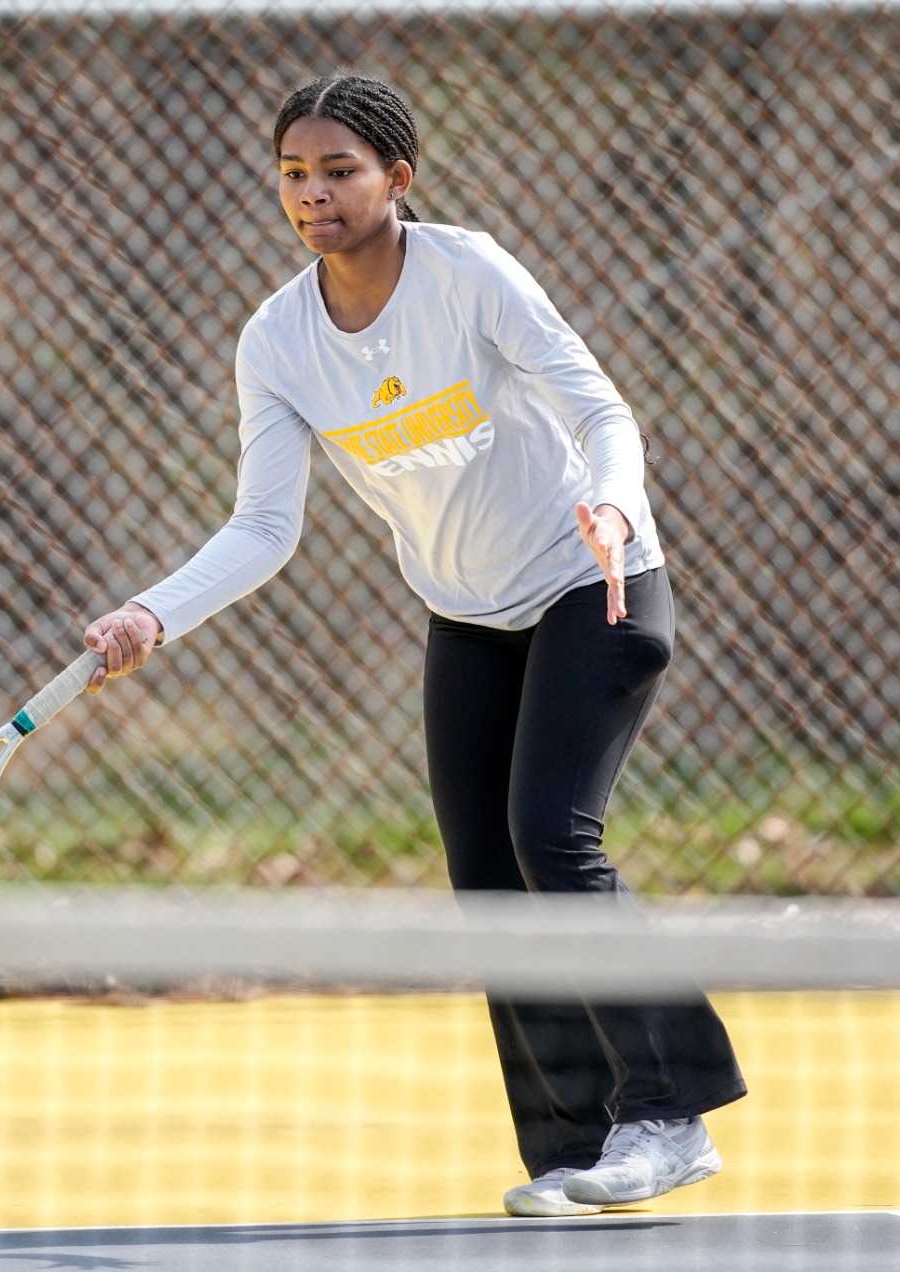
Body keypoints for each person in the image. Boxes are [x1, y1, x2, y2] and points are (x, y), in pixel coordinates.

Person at [77, 72, 745, 1217]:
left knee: (550, 838)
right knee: (488, 880)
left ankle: (667, 1114)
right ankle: (573, 1147)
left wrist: (613, 503)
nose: (312, 194)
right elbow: (264, 526)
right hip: (468, 616)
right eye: (293, 173)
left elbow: (601, 411)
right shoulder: (276, 341)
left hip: (593, 585)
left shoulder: (468, 273)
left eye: (338, 171)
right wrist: (152, 612)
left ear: (396, 177)